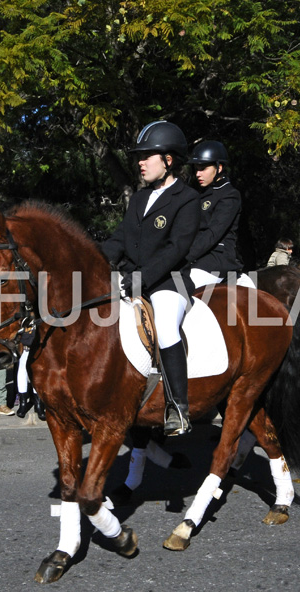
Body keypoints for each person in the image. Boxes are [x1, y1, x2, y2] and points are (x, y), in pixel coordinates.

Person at [101, 120, 200, 436]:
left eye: (147, 156)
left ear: (169, 160)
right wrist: (96, 260)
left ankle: (178, 408)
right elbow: (119, 238)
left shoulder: (187, 199)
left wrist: (141, 278)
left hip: (169, 282)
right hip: (133, 279)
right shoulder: (141, 198)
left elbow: (176, 248)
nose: (140, 162)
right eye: (139, 157)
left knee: (167, 326)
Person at [184, 140, 255, 290]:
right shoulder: (198, 194)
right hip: (197, 258)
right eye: (196, 169)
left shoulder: (229, 195)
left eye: (202, 169)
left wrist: (185, 256)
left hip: (216, 259)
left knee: (182, 288)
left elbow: (212, 234)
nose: (198, 174)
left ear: (219, 167)